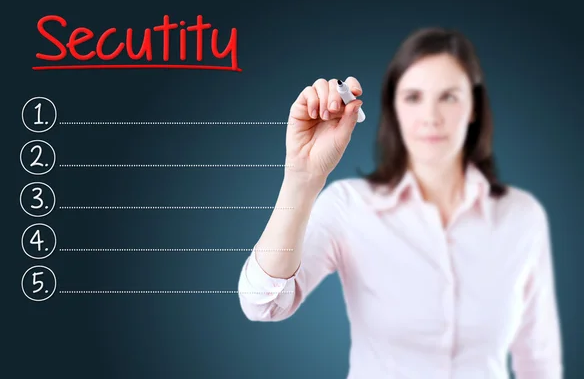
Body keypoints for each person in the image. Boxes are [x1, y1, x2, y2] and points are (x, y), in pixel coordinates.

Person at [237, 27, 563, 378]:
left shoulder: (522, 216)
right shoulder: (349, 206)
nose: (431, 116)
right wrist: (302, 179)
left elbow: (538, 360)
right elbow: (262, 303)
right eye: (413, 97)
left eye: (449, 97)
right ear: (394, 108)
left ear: (474, 107)